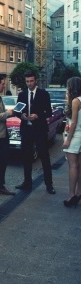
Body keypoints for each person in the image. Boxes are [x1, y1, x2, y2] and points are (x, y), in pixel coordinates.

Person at [14, 70, 56, 194]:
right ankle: (27, 182)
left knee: (44, 157)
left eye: (31, 81)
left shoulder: (43, 94)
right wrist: (21, 116)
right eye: (27, 81)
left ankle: (49, 184)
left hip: (39, 130)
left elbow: (49, 112)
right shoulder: (22, 95)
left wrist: (38, 116)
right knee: (26, 157)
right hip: (26, 130)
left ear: (35, 80)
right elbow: (17, 111)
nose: (29, 84)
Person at [62, 77, 81, 207]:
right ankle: (79, 192)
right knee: (80, 166)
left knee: (72, 166)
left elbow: (73, 122)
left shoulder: (75, 101)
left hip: (76, 136)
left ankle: (71, 196)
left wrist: (68, 140)